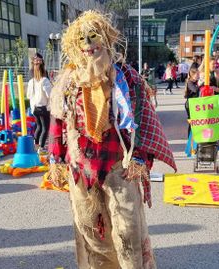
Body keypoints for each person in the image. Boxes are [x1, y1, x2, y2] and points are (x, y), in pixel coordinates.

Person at [48, 11, 176, 269]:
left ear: (105, 39)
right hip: (80, 173)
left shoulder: (127, 78)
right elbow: (57, 123)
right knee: (92, 235)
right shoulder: (67, 82)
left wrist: (139, 157)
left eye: (93, 36)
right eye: (82, 38)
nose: (88, 44)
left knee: (128, 233)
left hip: (120, 169)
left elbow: (143, 117)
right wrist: (56, 159)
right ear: (74, 44)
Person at [27, 53, 51, 155]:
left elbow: (28, 95)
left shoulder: (31, 81)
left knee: (39, 127)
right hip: (44, 107)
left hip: (35, 108)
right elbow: (50, 94)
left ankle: (36, 145)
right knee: (45, 128)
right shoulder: (44, 80)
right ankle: (41, 147)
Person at [184, 67, 200, 137]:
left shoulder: (195, 82)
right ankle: (190, 138)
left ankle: (195, 136)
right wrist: (200, 84)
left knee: (195, 121)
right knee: (192, 122)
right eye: (197, 75)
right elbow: (195, 90)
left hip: (194, 104)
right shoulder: (190, 82)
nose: (198, 76)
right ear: (192, 75)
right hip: (190, 104)